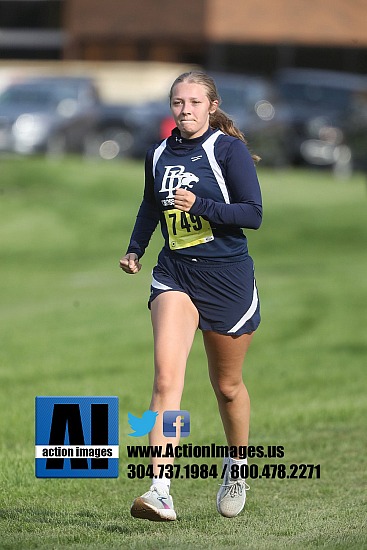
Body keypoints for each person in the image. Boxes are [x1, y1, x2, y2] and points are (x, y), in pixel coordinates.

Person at [120, 70, 262, 521]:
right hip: (175, 274)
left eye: (194, 102)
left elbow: (253, 214)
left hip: (227, 279)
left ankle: (237, 467)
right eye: (178, 103)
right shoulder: (158, 154)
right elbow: (150, 204)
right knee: (165, 380)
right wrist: (135, 248)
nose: (185, 110)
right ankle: (160, 490)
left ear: (211, 106)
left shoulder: (228, 150)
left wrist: (199, 205)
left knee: (227, 386)